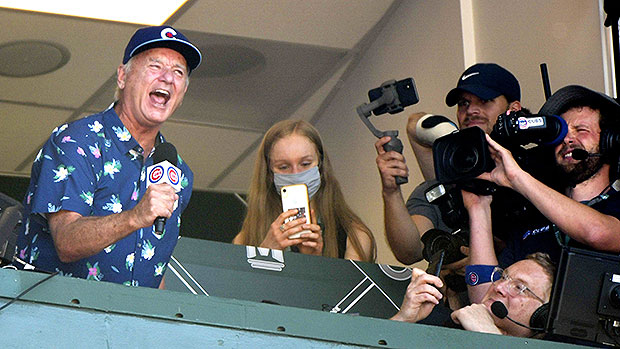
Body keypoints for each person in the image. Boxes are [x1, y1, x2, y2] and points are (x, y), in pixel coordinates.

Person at [13, 25, 201, 288]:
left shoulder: (177, 172)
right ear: (123, 76)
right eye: (155, 66)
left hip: (134, 325)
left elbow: (154, 268)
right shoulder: (77, 141)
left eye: (178, 72)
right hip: (58, 319)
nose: (168, 78)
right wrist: (136, 217)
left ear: (182, 94)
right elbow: (66, 241)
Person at [465, 85, 620, 303]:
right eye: (561, 132)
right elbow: (484, 301)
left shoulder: (616, 208)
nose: (567, 139)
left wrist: (517, 178)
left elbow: (596, 233)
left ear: (610, 142)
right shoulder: (531, 222)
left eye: (581, 130)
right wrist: (478, 207)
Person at [376, 63, 523, 266]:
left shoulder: (531, 171)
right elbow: (409, 252)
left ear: (513, 109)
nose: (471, 110)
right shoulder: (443, 185)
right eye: (463, 103)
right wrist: (391, 192)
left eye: (485, 101)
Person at [233, 120, 376, 262]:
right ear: (269, 174)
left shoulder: (354, 236)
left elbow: (350, 285)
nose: (296, 174)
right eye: (283, 167)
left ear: (320, 165)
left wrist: (313, 262)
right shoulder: (245, 239)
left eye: (305, 164)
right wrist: (264, 256)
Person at [391, 252, 554, 339]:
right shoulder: (439, 323)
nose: (499, 286)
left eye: (519, 287)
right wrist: (403, 319)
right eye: (503, 276)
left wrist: (491, 339)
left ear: (543, 317)